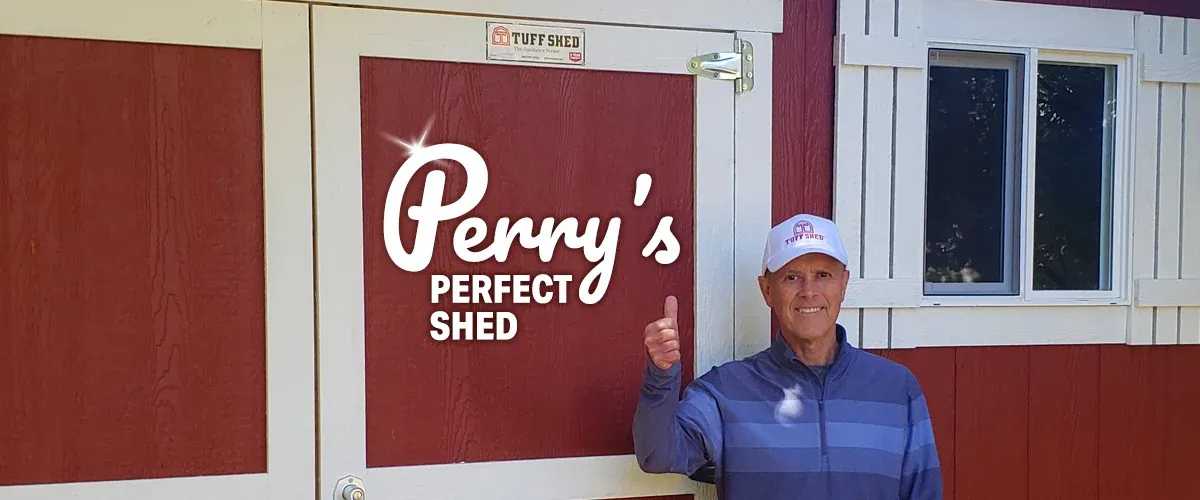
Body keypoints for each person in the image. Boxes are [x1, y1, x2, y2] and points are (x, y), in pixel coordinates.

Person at [633, 213, 942, 499]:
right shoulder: (724, 391)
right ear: (767, 289)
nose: (809, 291)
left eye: (823, 274)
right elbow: (657, 455)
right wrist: (661, 376)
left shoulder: (897, 389)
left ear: (843, 284)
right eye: (791, 277)